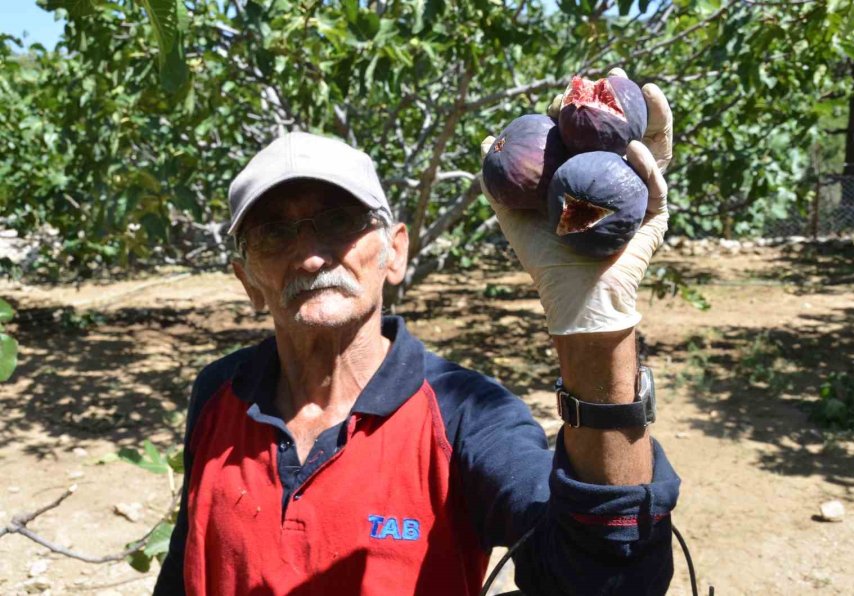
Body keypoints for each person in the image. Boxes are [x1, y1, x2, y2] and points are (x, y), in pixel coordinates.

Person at [155, 70, 680, 596]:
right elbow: (188, 569)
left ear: (396, 252)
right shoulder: (218, 392)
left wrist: (595, 324)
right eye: (273, 232)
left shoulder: (467, 416)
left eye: (339, 219)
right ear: (248, 281)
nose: (311, 255)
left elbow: (608, 575)